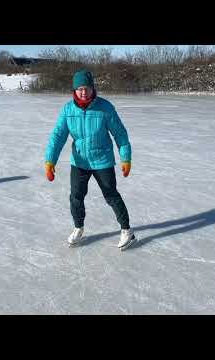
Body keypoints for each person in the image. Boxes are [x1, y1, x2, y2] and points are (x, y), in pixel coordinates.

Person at [44, 69, 136, 251]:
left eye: (86, 88)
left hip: (103, 160)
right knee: (76, 197)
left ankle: (127, 230)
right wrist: (50, 160)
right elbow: (58, 136)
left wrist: (125, 157)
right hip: (79, 162)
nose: (83, 92)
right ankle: (78, 227)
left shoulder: (105, 107)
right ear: (74, 90)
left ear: (93, 88)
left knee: (111, 196)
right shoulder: (68, 110)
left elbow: (120, 134)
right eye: (79, 88)